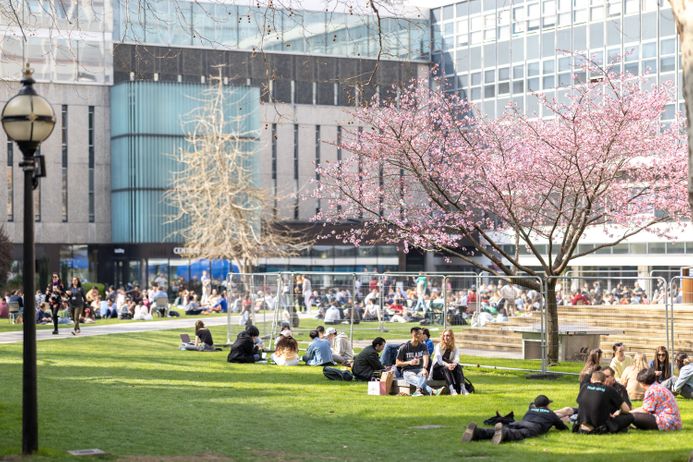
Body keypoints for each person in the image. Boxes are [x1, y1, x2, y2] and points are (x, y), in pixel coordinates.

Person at [462, 395, 568, 444]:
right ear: (547, 405)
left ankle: (478, 432)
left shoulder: (530, 410)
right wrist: (563, 423)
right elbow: (562, 428)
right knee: (516, 434)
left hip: (520, 422)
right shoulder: (551, 413)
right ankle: (504, 433)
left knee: (499, 430)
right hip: (533, 427)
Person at [395, 327, 442, 397]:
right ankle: (433, 391)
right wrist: (409, 362)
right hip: (408, 371)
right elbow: (397, 363)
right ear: (415, 335)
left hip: (420, 369)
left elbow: (426, 358)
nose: (422, 336)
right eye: (421, 334)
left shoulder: (423, 346)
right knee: (416, 378)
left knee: (424, 374)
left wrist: (424, 368)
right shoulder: (404, 347)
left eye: (422, 334)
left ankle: (418, 391)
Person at [432, 329, 468, 395]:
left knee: (458, 366)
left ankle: (463, 389)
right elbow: (439, 361)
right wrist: (448, 365)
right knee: (445, 368)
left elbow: (457, 358)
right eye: (444, 336)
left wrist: (454, 364)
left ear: (452, 337)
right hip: (437, 371)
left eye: (448, 336)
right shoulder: (438, 346)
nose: (446, 337)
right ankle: (452, 390)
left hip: (449, 370)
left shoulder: (455, 347)